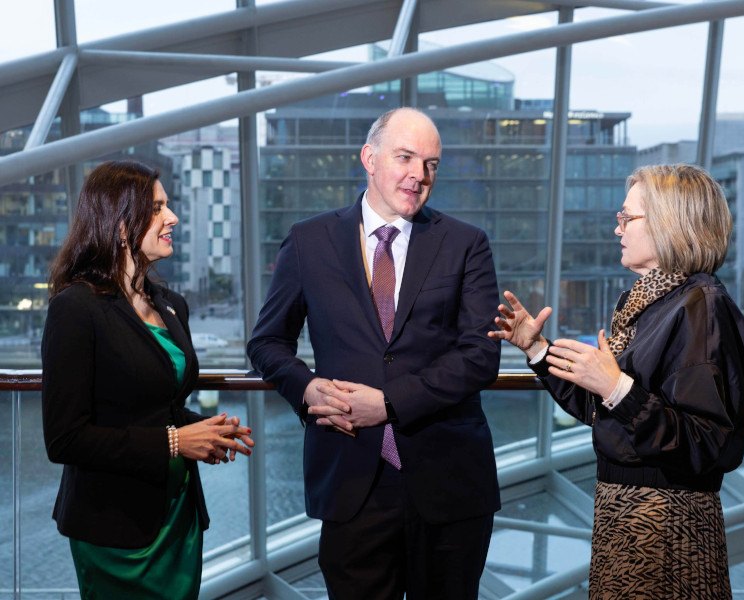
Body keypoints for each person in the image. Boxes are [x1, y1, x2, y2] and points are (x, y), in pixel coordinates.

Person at [247, 107, 501, 599]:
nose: (418, 175)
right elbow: (266, 342)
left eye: (431, 164)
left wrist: (388, 403)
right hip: (350, 480)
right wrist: (307, 388)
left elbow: (479, 357)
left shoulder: (466, 244)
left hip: (449, 482)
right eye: (405, 157)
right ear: (369, 157)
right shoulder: (308, 240)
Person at [490, 164, 744, 599]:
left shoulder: (701, 308)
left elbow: (709, 443)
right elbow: (609, 414)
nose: (617, 229)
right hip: (629, 516)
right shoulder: (656, 304)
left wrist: (618, 388)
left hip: (668, 527)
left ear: (669, 222)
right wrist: (537, 350)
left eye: (626, 218)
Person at [41, 160, 255, 599]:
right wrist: (177, 441)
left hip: (179, 518)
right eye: (158, 208)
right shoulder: (75, 309)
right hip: (115, 532)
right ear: (121, 226)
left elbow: (160, 402)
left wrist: (209, 430)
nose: (172, 217)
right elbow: (65, 439)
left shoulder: (171, 304)